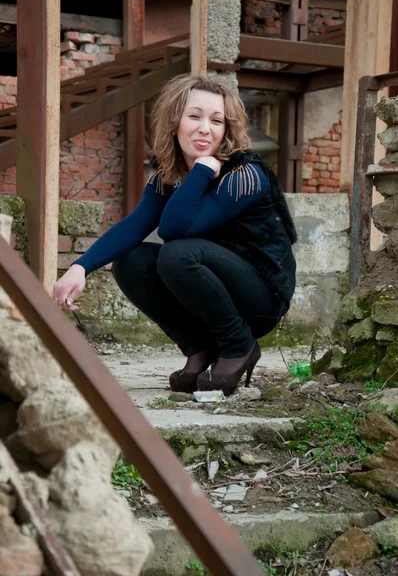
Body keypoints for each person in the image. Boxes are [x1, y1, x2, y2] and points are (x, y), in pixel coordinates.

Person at [53, 74, 297, 396]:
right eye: (194, 116)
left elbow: (173, 229)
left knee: (178, 252)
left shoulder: (246, 174)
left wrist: (203, 170)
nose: (205, 128)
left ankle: (239, 346)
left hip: (262, 293)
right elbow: (136, 225)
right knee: (131, 261)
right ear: (174, 121)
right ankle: (199, 349)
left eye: (216, 120)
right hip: (213, 283)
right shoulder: (168, 176)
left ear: (227, 129)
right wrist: (80, 268)